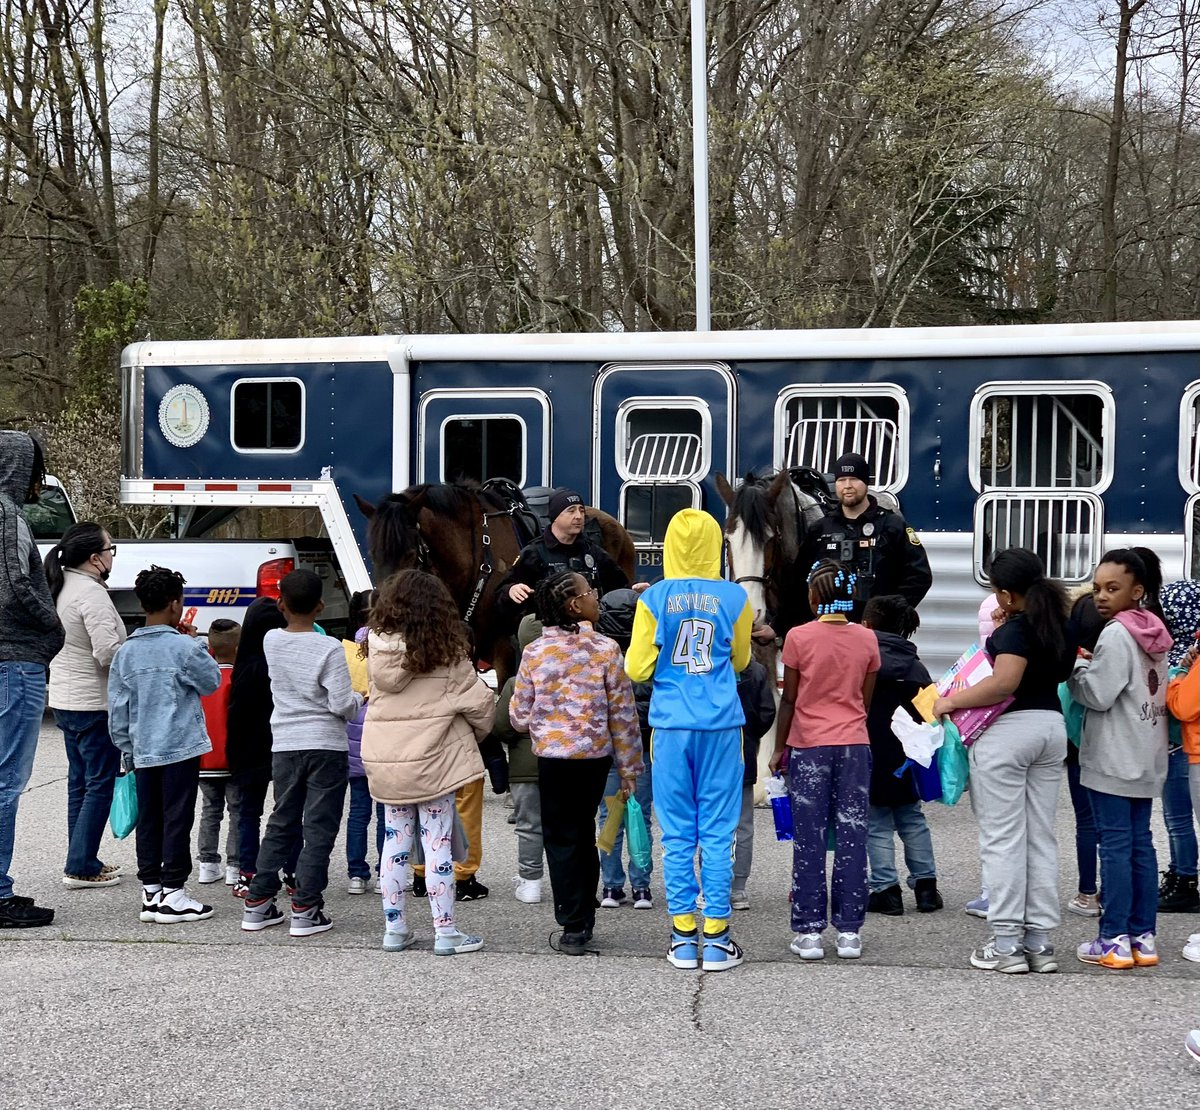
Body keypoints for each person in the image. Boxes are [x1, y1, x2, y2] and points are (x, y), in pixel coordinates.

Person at [934, 548, 1073, 974]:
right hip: (1051, 729)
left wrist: (950, 701)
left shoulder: (1015, 631)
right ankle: (1040, 943)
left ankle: (1007, 943)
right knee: (1039, 837)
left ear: (1008, 595)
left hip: (1008, 734)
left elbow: (1003, 683)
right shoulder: (1058, 627)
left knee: (1003, 839)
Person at [626, 509, 753, 972]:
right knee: (718, 832)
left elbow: (636, 669)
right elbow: (740, 661)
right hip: (721, 725)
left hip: (671, 726)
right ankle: (717, 939)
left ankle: (682, 937)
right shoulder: (736, 597)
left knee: (678, 834)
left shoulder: (654, 597)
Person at [360, 569, 494, 954]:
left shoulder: (376, 649)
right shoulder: (448, 655)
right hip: (434, 761)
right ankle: (446, 931)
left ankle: (395, 928)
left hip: (387, 760)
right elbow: (481, 707)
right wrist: (471, 736)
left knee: (395, 844)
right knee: (437, 844)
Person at [511, 571, 643, 956]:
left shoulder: (534, 653)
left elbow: (518, 716)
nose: (596, 596)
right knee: (585, 830)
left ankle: (572, 922)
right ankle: (586, 914)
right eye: (590, 592)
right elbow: (623, 714)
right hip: (594, 758)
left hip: (553, 759)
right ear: (574, 606)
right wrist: (631, 767)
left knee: (561, 837)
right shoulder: (606, 649)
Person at [240, 570, 362, 938]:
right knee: (319, 827)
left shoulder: (271, 641)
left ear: (281, 605)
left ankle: (258, 901)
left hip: (286, 743)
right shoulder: (329, 649)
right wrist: (358, 700)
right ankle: (306, 907)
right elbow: (341, 704)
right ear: (322, 606)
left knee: (281, 821)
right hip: (325, 744)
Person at [770, 561, 880, 961]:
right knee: (853, 837)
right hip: (854, 745)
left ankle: (810, 932)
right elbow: (864, 701)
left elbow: (791, 700)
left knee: (809, 840)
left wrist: (780, 749)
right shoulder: (867, 640)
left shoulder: (798, 637)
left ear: (814, 597)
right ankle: (849, 932)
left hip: (810, 747)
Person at [1069, 549, 1171, 971]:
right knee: (1140, 845)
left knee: (1113, 844)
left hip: (1112, 756)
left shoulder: (1115, 634)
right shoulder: (1156, 631)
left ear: (1138, 590)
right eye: (1097, 588)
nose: (1102, 597)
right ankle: (1142, 937)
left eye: (1113, 588)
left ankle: (1112, 939)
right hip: (1147, 753)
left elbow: (1098, 694)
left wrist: (1077, 669)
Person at [108, 565, 222, 924]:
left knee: (150, 817)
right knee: (177, 816)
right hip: (179, 745)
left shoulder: (126, 652)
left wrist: (127, 746)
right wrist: (196, 642)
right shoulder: (183, 647)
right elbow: (211, 681)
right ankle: (174, 890)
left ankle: (151, 889)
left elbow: (118, 709)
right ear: (176, 605)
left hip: (143, 747)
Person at [0, 431, 63, 928]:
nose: (35, 483)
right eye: (33, 471)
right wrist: (51, 625)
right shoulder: (6, 514)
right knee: (6, 782)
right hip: (15, 662)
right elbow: (18, 583)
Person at [44, 522, 125, 890]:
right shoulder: (91, 594)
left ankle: (80, 858)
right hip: (93, 701)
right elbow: (107, 652)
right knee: (99, 784)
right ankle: (81, 865)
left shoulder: (61, 585)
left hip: (64, 697)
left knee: (79, 782)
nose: (112, 556)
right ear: (95, 558)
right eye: (110, 550)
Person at [861, 594, 941, 916]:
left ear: (866, 626)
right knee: (912, 820)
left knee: (877, 822)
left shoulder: (864, 664)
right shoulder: (916, 667)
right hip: (910, 758)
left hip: (870, 753)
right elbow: (931, 714)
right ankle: (926, 889)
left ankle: (886, 890)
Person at [798, 452, 932, 623]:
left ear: (866, 483)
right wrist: (779, 627)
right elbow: (798, 582)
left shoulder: (892, 525)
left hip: (878, 633)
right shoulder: (819, 529)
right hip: (831, 631)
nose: (847, 485)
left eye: (854, 479)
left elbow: (920, 576)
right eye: (841, 480)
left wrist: (891, 615)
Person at [225, 596, 296, 898]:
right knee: (289, 810)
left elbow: (235, 715)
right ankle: (292, 871)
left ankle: (247, 872)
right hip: (282, 743)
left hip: (248, 748)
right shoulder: (281, 663)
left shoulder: (243, 666)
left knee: (248, 814)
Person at [594, 587, 655, 910]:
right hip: (643, 744)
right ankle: (641, 886)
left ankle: (611, 886)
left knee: (610, 816)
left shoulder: (601, 654)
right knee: (640, 815)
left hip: (606, 749)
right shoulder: (649, 655)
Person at [499, 488, 630, 618]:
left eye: (581, 510)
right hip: (546, 630)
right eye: (571, 511)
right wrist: (510, 590)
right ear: (555, 516)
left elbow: (618, 587)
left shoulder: (593, 552)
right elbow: (502, 593)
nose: (578, 516)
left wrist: (632, 592)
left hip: (589, 629)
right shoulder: (534, 553)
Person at [493, 618, 546, 905]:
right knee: (568, 826)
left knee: (528, 826)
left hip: (525, 767)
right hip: (564, 763)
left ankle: (530, 882)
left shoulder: (516, 682)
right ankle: (570, 880)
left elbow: (501, 726)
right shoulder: (567, 671)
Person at [1158, 578, 1200, 913]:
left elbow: (1181, 707)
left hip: (1182, 747)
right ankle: (1180, 874)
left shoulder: (1180, 655)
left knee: (1178, 819)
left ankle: (1185, 878)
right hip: (1183, 748)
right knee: (1178, 818)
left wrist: (1177, 677)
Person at [343, 591, 383, 896]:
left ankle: (356, 873)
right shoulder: (390, 649)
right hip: (382, 745)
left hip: (353, 746)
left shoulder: (345, 652)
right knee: (386, 812)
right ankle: (386, 869)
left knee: (358, 812)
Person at [196, 619, 241, 887]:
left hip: (205, 758)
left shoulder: (203, 679)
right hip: (232, 758)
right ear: (238, 647)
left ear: (210, 646)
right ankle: (235, 865)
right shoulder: (237, 678)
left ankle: (207, 863)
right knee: (237, 811)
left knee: (210, 810)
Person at [731, 656, 776, 912]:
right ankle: (739, 889)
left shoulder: (707, 662)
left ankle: (712, 883)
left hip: (711, 756)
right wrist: (751, 735)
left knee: (711, 823)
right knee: (744, 824)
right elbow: (767, 711)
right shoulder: (756, 669)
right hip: (743, 749)